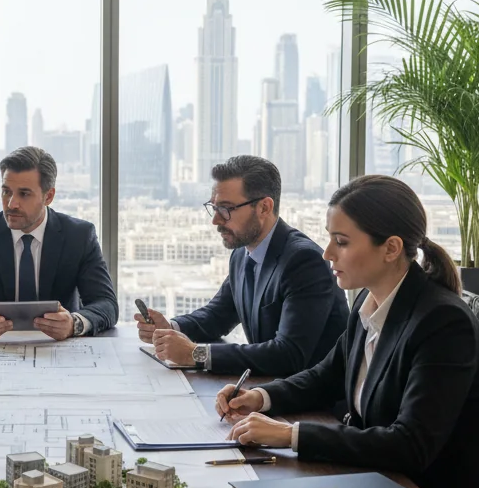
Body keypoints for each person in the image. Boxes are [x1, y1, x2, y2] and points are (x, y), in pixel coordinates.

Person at [217, 174, 479, 488]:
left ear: (391, 248)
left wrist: (290, 434)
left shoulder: (441, 322)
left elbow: (411, 445)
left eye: (343, 241)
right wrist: (262, 398)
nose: (327, 254)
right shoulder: (371, 303)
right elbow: (326, 375)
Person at [135, 155, 348, 375]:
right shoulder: (242, 252)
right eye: (214, 207)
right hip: (267, 392)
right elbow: (218, 315)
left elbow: (288, 355)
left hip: (315, 404)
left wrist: (196, 354)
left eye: (226, 209)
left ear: (264, 207)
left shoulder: (303, 261)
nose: (216, 220)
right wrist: (170, 329)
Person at [0, 146, 118, 340]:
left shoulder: (78, 235)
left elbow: (106, 304)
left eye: (24, 194)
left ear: (49, 196)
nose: (11, 203)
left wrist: (74, 323)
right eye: (6, 192)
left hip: (59, 349)